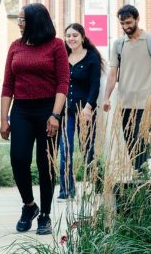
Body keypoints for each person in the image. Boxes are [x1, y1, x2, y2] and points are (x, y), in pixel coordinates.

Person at [0, 3, 69, 235]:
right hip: (21, 110)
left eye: (22, 20)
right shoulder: (15, 47)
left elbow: (62, 82)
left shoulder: (56, 46)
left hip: (48, 109)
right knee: (18, 159)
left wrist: (55, 114)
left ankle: (46, 215)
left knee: (45, 163)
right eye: (18, 20)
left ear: (36, 21)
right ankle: (29, 206)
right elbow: (8, 84)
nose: (19, 23)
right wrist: (3, 119)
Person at [102, 5, 151, 173]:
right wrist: (106, 97)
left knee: (141, 142)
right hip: (125, 102)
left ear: (137, 19)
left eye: (128, 22)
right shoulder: (118, 45)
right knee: (130, 142)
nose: (126, 27)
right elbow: (113, 75)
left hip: (148, 102)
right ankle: (139, 176)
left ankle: (140, 176)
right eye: (122, 24)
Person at [59, 23, 104, 200]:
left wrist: (88, 107)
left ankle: (94, 185)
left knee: (88, 151)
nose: (71, 38)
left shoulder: (92, 57)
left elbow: (95, 85)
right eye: (68, 35)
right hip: (65, 112)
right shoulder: (62, 56)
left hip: (85, 111)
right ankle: (66, 189)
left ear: (82, 37)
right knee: (65, 150)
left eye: (75, 35)